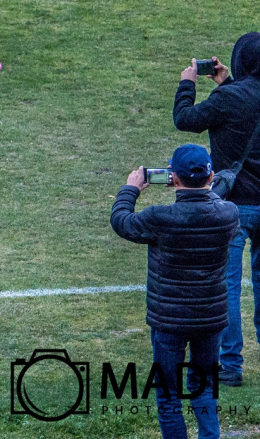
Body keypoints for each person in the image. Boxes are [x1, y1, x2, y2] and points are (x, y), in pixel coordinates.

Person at [112, 145, 239, 439]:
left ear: (174, 177)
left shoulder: (160, 218)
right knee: (204, 387)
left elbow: (121, 221)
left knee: (168, 394)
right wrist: (202, 187)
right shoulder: (228, 214)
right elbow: (211, 203)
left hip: (168, 320)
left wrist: (131, 189)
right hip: (210, 318)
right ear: (210, 176)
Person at [174, 35, 260, 384]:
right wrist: (226, 83)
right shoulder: (232, 93)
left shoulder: (229, 99)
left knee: (228, 287)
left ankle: (231, 365)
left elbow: (185, 119)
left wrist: (188, 83)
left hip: (233, 207)